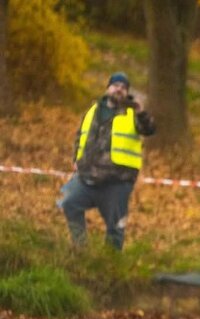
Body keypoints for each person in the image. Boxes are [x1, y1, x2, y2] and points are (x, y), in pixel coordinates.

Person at [60, 72, 155, 250]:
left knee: (116, 226)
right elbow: (80, 136)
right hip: (88, 177)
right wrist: (76, 160)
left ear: (127, 93)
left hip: (117, 181)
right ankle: (81, 249)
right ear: (107, 88)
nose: (119, 89)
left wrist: (141, 112)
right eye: (115, 85)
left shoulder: (132, 113)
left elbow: (149, 129)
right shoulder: (92, 110)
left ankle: (111, 265)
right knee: (70, 203)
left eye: (123, 87)